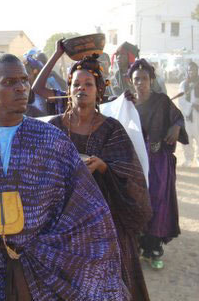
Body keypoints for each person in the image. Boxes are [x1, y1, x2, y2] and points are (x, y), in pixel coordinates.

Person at [0, 54, 128, 300]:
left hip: (38, 267)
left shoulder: (52, 140)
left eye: (24, 80)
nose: (21, 87)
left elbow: (85, 207)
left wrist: (42, 244)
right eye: (9, 82)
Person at [49, 54, 152, 300]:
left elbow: (131, 175)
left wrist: (104, 166)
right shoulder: (54, 127)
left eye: (88, 84)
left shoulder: (112, 128)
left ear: (99, 91)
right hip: (64, 221)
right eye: (76, 84)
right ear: (69, 89)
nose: (81, 89)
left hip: (107, 220)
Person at [129, 59, 188, 270]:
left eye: (145, 79)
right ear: (131, 81)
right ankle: (137, 246)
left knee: (157, 203)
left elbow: (178, 118)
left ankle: (153, 250)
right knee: (136, 202)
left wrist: (176, 127)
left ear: (151, 80)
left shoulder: (162, 101)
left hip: (158, 161)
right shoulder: (127, 104)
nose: (141, 83)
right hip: (135, 163)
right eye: (137, 79)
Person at [176, 61, 199, 166]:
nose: (192, 72)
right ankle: (189, 159)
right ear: (187, 71)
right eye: (190, 70)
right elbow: (181, 100)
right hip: (188, 115)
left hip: (198, 115)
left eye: (194, 69)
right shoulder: (183, 84)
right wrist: (191, 105)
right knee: (187, 137)